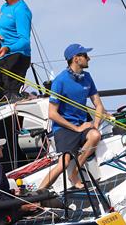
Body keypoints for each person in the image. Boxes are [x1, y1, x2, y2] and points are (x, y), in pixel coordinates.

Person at [38, 43, 105, 190]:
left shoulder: (87, 77)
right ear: (76, 59)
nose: (89, 58)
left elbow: (98, 105)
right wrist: (76, 128)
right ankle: (38, 192)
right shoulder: (60, 81)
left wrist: (95, 124)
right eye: (85, 56)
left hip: (82, 125)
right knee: (64, 162)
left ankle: (74, 174)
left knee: (95, 135)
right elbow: (52, 114)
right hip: (64, 128)